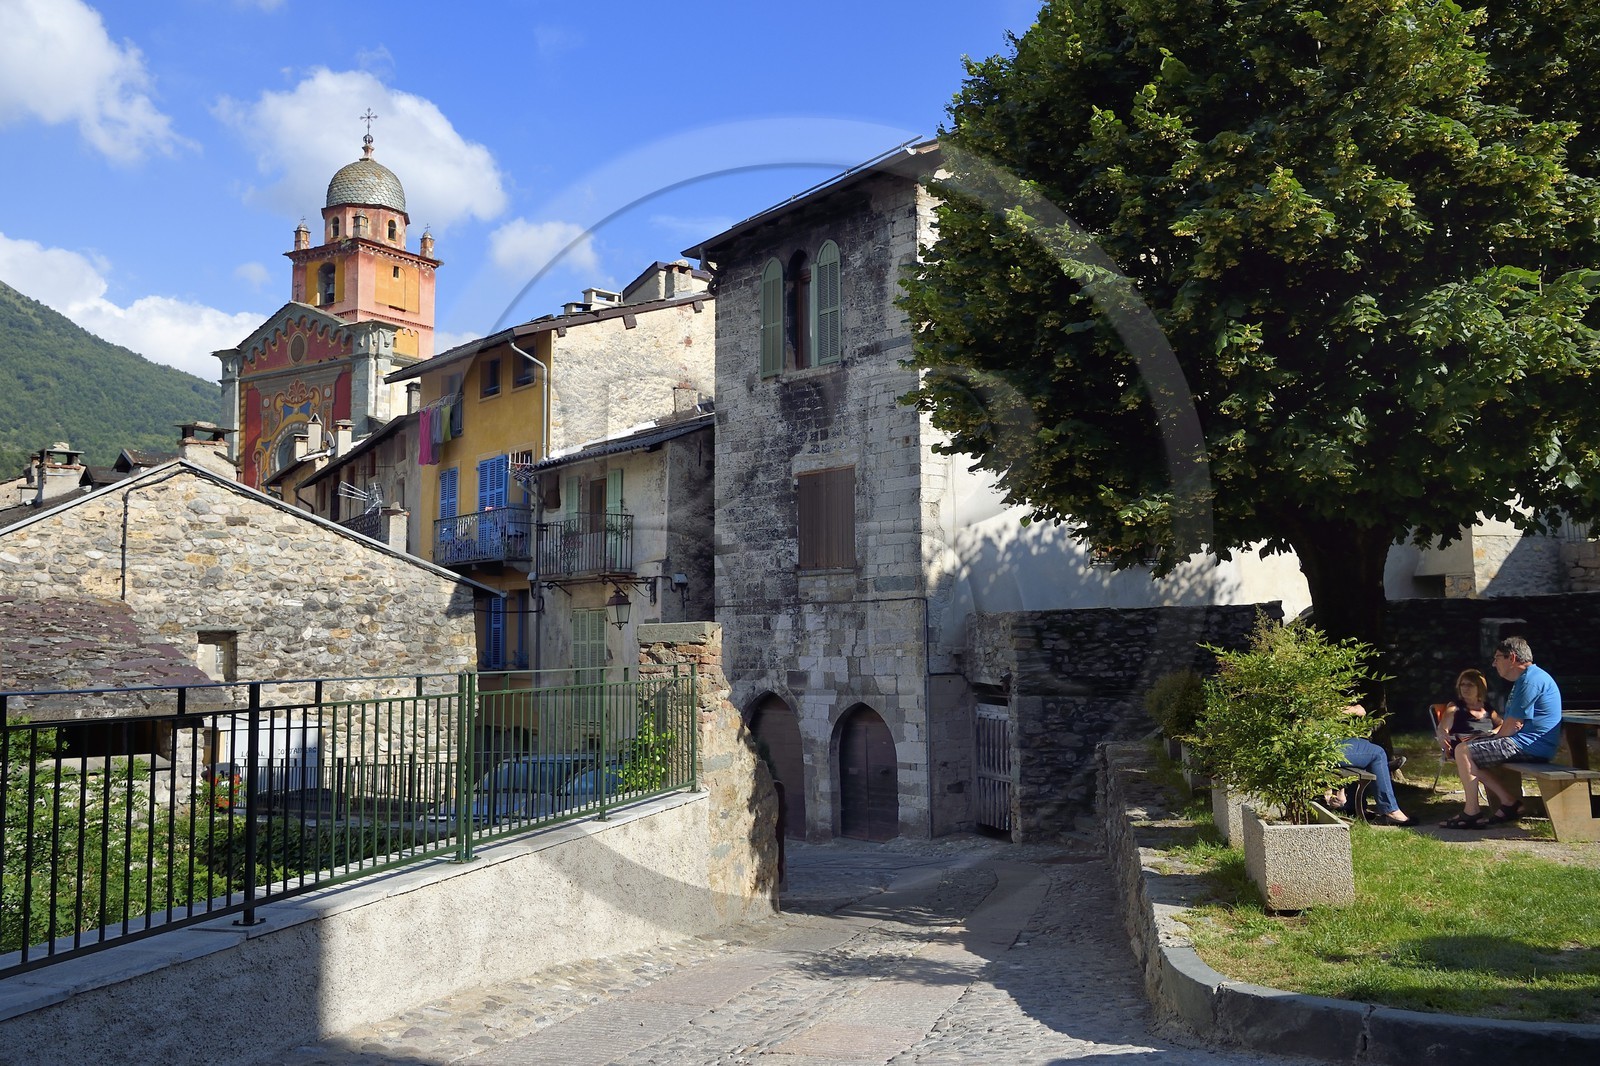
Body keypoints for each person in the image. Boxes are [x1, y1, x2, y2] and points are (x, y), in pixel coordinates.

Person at [1439, 637, 1563, 830]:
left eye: (1497, 658)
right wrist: (1486, 739)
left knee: (1464, 751)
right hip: (1526, 742)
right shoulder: (1529, 678)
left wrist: (1489, 740)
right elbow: (1512, 725)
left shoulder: (1530, 681)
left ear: (1511, 658)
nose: (1494, 663)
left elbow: (1511, 726)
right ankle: (1508, 802)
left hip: (1531, 745)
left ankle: (1472, 812)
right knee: (1467, 752)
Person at [1336, 704, 1413, 826]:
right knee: (1377, 753)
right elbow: (1324, 708)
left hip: (1325, 743)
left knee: (1363, 745)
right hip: (1323, 748)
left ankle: (1354, 806)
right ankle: (1391, 810)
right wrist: (1354, 709)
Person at [1436, 668, 1501, 759]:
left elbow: (1502, 724)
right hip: (1465, 748)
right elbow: (1443, 728)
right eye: (1463, 684)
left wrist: (1493, 732)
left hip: (1488, 744)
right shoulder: (1454, 707)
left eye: (1470, 685)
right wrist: (1443, 737)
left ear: (1479, 688)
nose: (1465, 688)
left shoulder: (1487, 708)